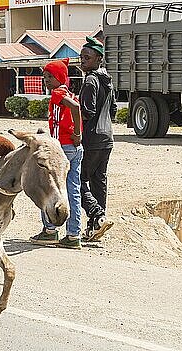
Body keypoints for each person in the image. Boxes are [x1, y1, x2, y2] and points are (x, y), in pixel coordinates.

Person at [29, 58, 84, 249]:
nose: (46, 80)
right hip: (75, 149)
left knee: (47, 188)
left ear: (60, 77)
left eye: (50, 77)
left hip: (63, 149)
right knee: (72, 191)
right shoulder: (69, 92)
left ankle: (50, 230)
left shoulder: (58, 93)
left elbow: (75, 109)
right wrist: (78, 135)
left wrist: (76, 134)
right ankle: (73, 235)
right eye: (44, 77)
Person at [78, 36, 117, 241]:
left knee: (77, 180)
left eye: (87, 58)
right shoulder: (107, 80)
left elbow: (87, 112)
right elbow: (113, 110)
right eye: (81, 57)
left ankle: (97, 215)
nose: (82, 61)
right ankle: (97, 226)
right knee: (98, 181)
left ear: (98, 59)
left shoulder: (91, 80)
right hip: (107, 138)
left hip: (91, 139)